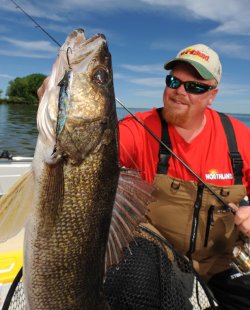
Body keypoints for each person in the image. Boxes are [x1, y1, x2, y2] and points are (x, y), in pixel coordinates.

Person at [118, 43, 250, 309]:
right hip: (156, 253)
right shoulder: (136, 129)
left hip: (221, 259)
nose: (179, 92)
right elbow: (84, 150)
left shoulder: (240, 138)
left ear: (212, 95)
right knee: (131, 290)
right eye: (174, 81)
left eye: (195, 86)